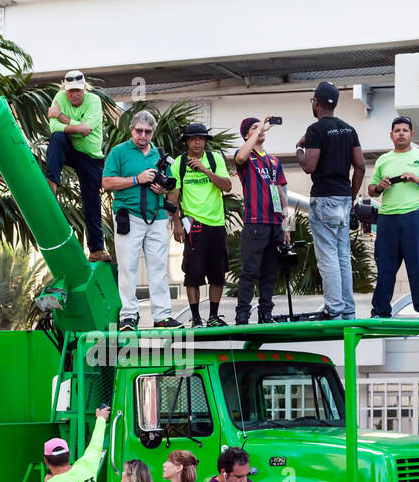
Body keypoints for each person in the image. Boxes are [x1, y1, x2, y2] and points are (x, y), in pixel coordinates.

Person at [101, 110, 180, 332]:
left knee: (159, 267)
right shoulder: (119, 152)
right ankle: (129, 316)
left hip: (156, 216)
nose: (143, 135)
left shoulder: (159, 154)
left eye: (148, 131)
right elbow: (106, 182)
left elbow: (171, 186)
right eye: (139, 131)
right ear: (131, 130)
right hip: (129, 216)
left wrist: (162, 188)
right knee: (128, 268)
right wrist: (137, 179)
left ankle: (162, 315)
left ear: (152, 132)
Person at [298, 81, 364, 320]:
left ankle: (333, 308)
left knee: (327, 255)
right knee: (342, 255)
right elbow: (360, 166)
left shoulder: (315, 130)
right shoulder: (349, 129)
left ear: (316, 102)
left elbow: (309, 166)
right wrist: (352, 195)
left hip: (324, 198)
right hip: (344, 199)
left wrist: (299, 149)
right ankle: (348, 309)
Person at [367, 116, 419, 319]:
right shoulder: (383, 160)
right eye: (397, 130)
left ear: (412, 134)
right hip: (387, 219)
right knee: (385, 267)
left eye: (405, 130)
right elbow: (371, 190)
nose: (401, 133)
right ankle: (380, 311)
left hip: (414, 216)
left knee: (418, 264)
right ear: (391, 135)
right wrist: (379, 187)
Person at [170, 122, 233, 327]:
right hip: (194, 226)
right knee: (193, 274)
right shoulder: (178, 164)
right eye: (193, 138)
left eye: (201, 138)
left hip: (216, 224)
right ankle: (196, 318)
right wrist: (177, 223)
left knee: (217, 273)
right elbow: (172, 198)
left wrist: (205, 170)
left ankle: (213, 316)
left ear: (205, 140)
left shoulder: (215, 160)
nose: (197, 142)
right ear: (187, 141)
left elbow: (227, 186)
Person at [46, 69, 110, 263]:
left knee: (91, 200)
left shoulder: (93, 101)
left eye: (78, 91)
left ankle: (96, 250)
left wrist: (62, 117)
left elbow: (86, 128)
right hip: (69, 149)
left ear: (84, 89)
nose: (74, 95)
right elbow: (54, 128)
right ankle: (51, 183)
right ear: (65, 90)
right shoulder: (59, 97)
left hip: (90, 155)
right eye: (71, 91)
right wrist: (76, 127)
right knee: (56, 138)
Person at [234, 116, 290, 325]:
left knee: (270, 272)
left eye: (262, 127)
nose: (261, 130)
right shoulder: (246, 157)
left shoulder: (274, 160)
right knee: (250, 271)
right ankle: (242, 315)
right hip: (255, 222)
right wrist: (257, 132)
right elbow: (240, 158)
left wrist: (286, 226)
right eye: (254, 128)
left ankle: (266, 313)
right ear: (247, 134)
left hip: (275, 223)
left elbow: (280, 192)